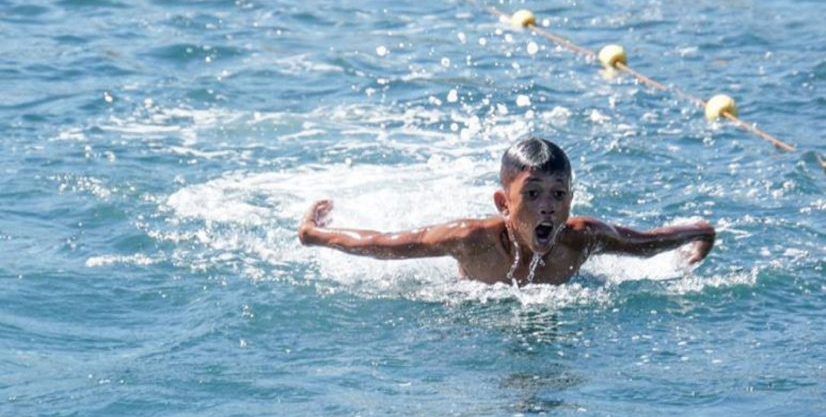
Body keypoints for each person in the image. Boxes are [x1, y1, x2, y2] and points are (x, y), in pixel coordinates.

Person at [298, 137, 715, 285]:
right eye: (532, 195)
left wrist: (698, 234)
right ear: (504, 204)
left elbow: (645, 244)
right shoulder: (470, 240)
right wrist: (315, 234)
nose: (547, 207)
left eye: (558, 195)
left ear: (571, 199)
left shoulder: (583, 238)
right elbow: (386, 244)